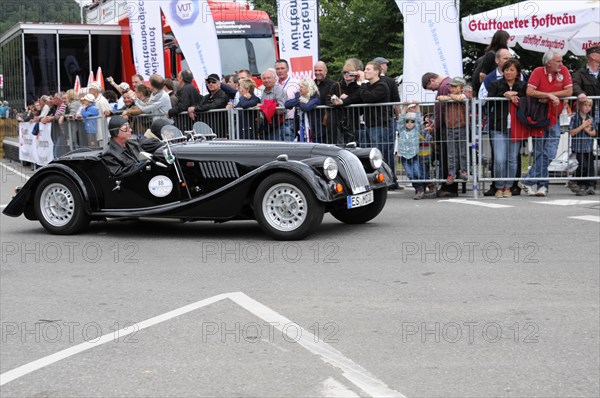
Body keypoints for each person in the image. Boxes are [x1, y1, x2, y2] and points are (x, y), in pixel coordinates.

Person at [520, 50, 573, 197]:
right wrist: (548, 95)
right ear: (549, 63)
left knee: (549, 153)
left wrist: (550, 96)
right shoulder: (538, 71)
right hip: (540, 116)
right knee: (539, 152)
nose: (561, 64)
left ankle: (528, 180)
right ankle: (543, 185)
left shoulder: (564, 71)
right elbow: (529, 91)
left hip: (555, 117)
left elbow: (569, 91)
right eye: (558, 61)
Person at [487, 59, 528, 198]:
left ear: (517, 72)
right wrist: (503, 94)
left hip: (516, 126)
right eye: (506, 69)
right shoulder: (495, 84)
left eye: (512, 70)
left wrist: (516, 96)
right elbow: (488, 102)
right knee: (499, 159)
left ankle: (509, 186)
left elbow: (527, 103)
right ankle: (499, 186)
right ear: (502, 71)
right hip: (498, 126)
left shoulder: (523, 86)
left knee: (512, 159)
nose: (509, 72)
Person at [422, 72, 458, 197]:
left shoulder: (444, 86)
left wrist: (434, 126)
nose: (433, 91)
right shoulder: (447, 84)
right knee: (447, 157)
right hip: (448, 125)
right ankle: (447, 186)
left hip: (447, 127)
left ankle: (449, 188)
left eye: (431, 88)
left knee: (447, 158)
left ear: (432, 80)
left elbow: (442, 110)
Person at [437, 76, 468, 184]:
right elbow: (440, 98)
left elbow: (461, 98)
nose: (452, 89)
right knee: (451, 153)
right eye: (451, 87)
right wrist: (450, 97)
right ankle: (451, 173)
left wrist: (449, 97)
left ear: (461, 87)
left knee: (462, 152)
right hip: (450, 127)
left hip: (462, 127)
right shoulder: (450, 96)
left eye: (455, 87)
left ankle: (464, 171)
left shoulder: (466, 94)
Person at [328, 58, 363, 145]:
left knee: (353, 146)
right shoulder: (336, 85)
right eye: (344, 72)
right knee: (338, 146)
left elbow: (356, 98)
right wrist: (334, 100)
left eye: (350, 73)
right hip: (337, 121)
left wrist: (343, 101)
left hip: (353, 121)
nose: (347, 75)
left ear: (355, 74)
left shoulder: (359, 88)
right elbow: (327, 99)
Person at [394, 103, 425, 199]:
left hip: (414, 155)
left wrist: (417, 105)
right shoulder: (402, 130)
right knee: (410, 174)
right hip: (404, 156)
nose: (409, 123)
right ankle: (419, 189)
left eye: (412, 121)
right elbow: (401, 119)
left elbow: (419, 119)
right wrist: (404, 107)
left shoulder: (416, 130)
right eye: (407, 121)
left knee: (417, 173)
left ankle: (420, 188)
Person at [569, 98, 597, 195]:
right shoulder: (575, 117)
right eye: (585, 105)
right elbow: (572, 132)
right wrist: (583, 125)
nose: (587, 108)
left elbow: (594, 133)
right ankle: (574, 179)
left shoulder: (590, 118)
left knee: (590, 167)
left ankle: (590, 185)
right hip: (578, 147)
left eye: (589, 106)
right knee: (583, 166)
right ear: (579, 106)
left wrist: (587, 130)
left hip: (588, 147)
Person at [472, 30, 510, 95]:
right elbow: (482, 75)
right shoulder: (491, 55)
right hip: (486, 90)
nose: (508, 43)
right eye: (507, 41)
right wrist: (489, 88)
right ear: (503, 41)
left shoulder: (492, 53)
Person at [258, 68, 286, 141]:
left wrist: (264, 107)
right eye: (264, 78)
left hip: (278, 125)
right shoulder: (264, 91)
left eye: (269, 78)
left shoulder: (278, 90)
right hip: (267, 125)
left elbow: (282, 109)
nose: (266, 80)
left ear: (274, 79)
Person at [275, 59, 300, 141]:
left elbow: (299, 99)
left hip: (290, 120)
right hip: (276, 121)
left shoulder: (296, 83)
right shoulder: (274, 84)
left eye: (282, 68)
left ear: (288, 69)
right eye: (277, 69)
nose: (280, 71)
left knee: (289, 145)